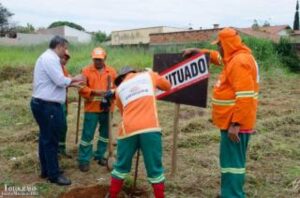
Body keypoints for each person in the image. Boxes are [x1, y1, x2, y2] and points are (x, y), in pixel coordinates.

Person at [183, 27, 259, 197]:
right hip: (231, 121)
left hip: (235, 124)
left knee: (233, 164)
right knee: (230, 162)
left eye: (220, 45)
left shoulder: (239, 62)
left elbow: (245, 96)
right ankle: (229, 193)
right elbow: (219, 58)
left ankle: (233, 195)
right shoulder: (235, 57)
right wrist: (199, 51)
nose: (218, 48)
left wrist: (235, 124)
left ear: (227, 44)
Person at [107, 66, 171, 198]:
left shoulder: (119, 89)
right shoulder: (148, 75)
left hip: (128, 130)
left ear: (122, 78)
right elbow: (167, 86)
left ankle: (112, 195)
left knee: (120, 167)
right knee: (155, 170)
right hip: (150, 128)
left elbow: (124, 111)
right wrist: (154, 73)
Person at [30, 36, 85, 185]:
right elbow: (60, 81)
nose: (65, 52)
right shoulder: (50, 59)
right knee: (51, 140)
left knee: (45, 138)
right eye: (65, 48)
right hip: (48, 106)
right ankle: (53, 175)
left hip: (43, 103)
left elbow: (58, 81)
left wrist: (72, 82)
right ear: (59, 46)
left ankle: (46, 170)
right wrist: (76, 79)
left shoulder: (46, 57)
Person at [77, 47, 117, 172]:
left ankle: (100, 155)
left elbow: (116, 88)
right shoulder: (86, 71)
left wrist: (111, 93)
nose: (97, 62)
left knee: (105, 134)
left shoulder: (112, 72)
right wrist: (94, 92)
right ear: (92, 58)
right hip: (91, 108)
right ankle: (84, 159)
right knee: (87, 135)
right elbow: (81, 88)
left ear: (105, 58)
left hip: (107, 108)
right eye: (95, 59)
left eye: (100, 59)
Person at [58, 49, 72, 158]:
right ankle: (56, 150)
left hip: (64, 101)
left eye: (66, 58)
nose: (65, 59)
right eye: (63, 57)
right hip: (56, 102)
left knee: (63, 126)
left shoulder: (64, 69)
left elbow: (68, 80)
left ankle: (61, 149)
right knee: (57, 126)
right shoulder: (55, 68)